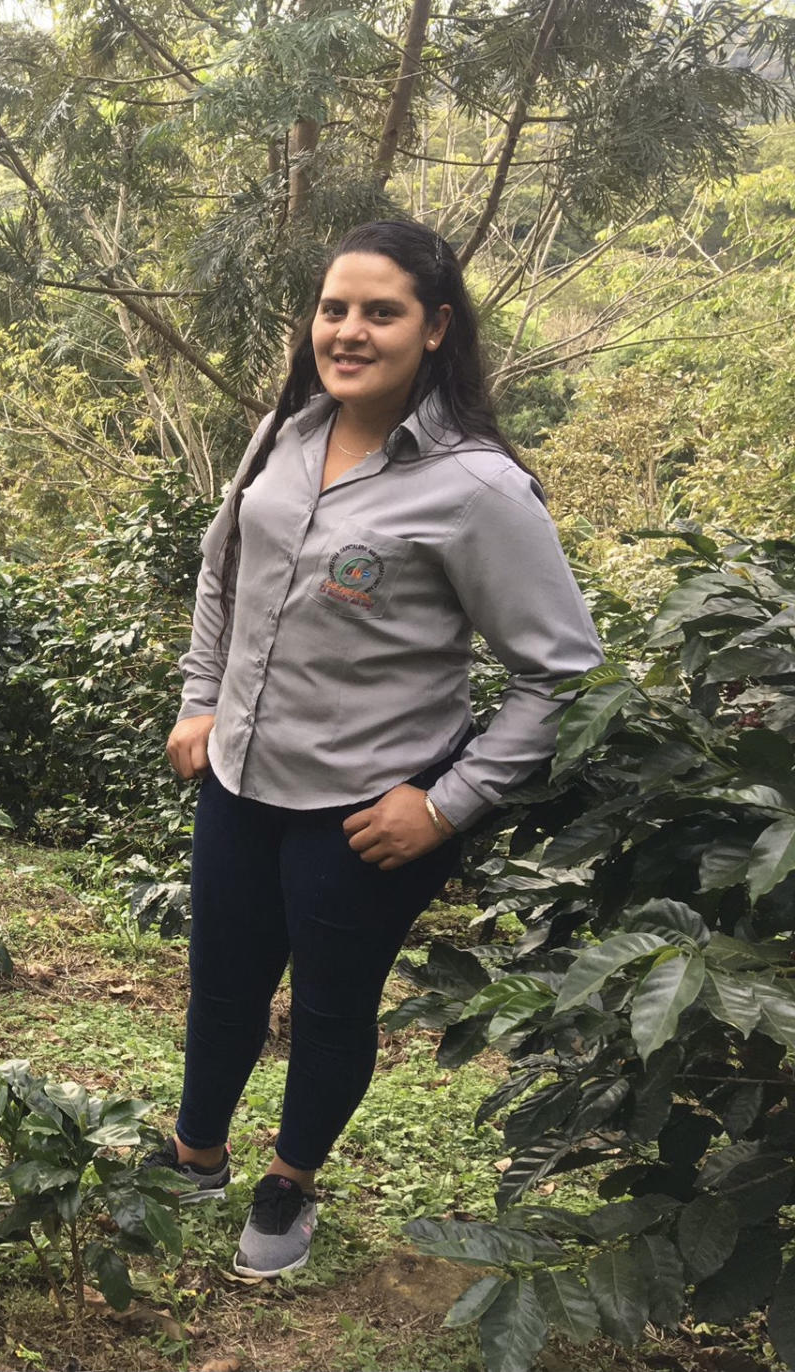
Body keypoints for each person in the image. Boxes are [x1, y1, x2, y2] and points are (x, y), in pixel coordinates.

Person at [152, 221, 602, 1277]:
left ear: (436, 328)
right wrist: (198, 699)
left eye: (380, 311)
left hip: (365, 811)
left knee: (331, 1006)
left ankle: (290, 1178)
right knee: (221, 981)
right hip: (240, 779)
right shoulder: (283, 433)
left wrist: (447, 803)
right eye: (333, 308)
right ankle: (194, 1150)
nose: (347, 332)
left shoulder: (479, 488)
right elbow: (222, 573)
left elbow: (564, 673)